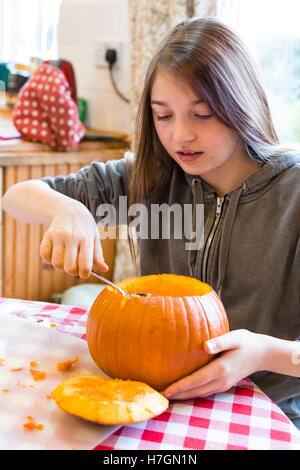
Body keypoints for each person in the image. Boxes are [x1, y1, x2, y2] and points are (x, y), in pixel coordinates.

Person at [2, 16, 300, 428]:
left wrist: (267, 354)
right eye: (163, 116)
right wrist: (66, 210)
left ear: (241, 104)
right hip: (152, 403)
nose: (181, 136)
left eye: (203, 115)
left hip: (269, 415)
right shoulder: (152, 174)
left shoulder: (294, 192)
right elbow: (15, 196)